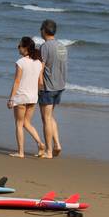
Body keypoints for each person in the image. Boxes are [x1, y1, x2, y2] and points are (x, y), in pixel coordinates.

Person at [7, 36, 46, 158]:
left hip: (21, 97)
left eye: (19, 46)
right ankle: (40, 143)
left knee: (19, 124)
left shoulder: (21, 62)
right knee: (27, 123)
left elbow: (17, 82)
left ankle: (21, 152)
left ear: (25, 48)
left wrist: (11, 98)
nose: (18, 48)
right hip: (33, 97)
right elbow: (40, 82)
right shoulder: (38, 63)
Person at [38, 19, 67, 158]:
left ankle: (49, 151)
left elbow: (40, 68)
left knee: (46, 119)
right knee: (50, 117)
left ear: (44, 30)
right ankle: (57, 144)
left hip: (48, 87)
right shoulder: (62, 46)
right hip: (60, 86)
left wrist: (38, 84)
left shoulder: (45, 46)